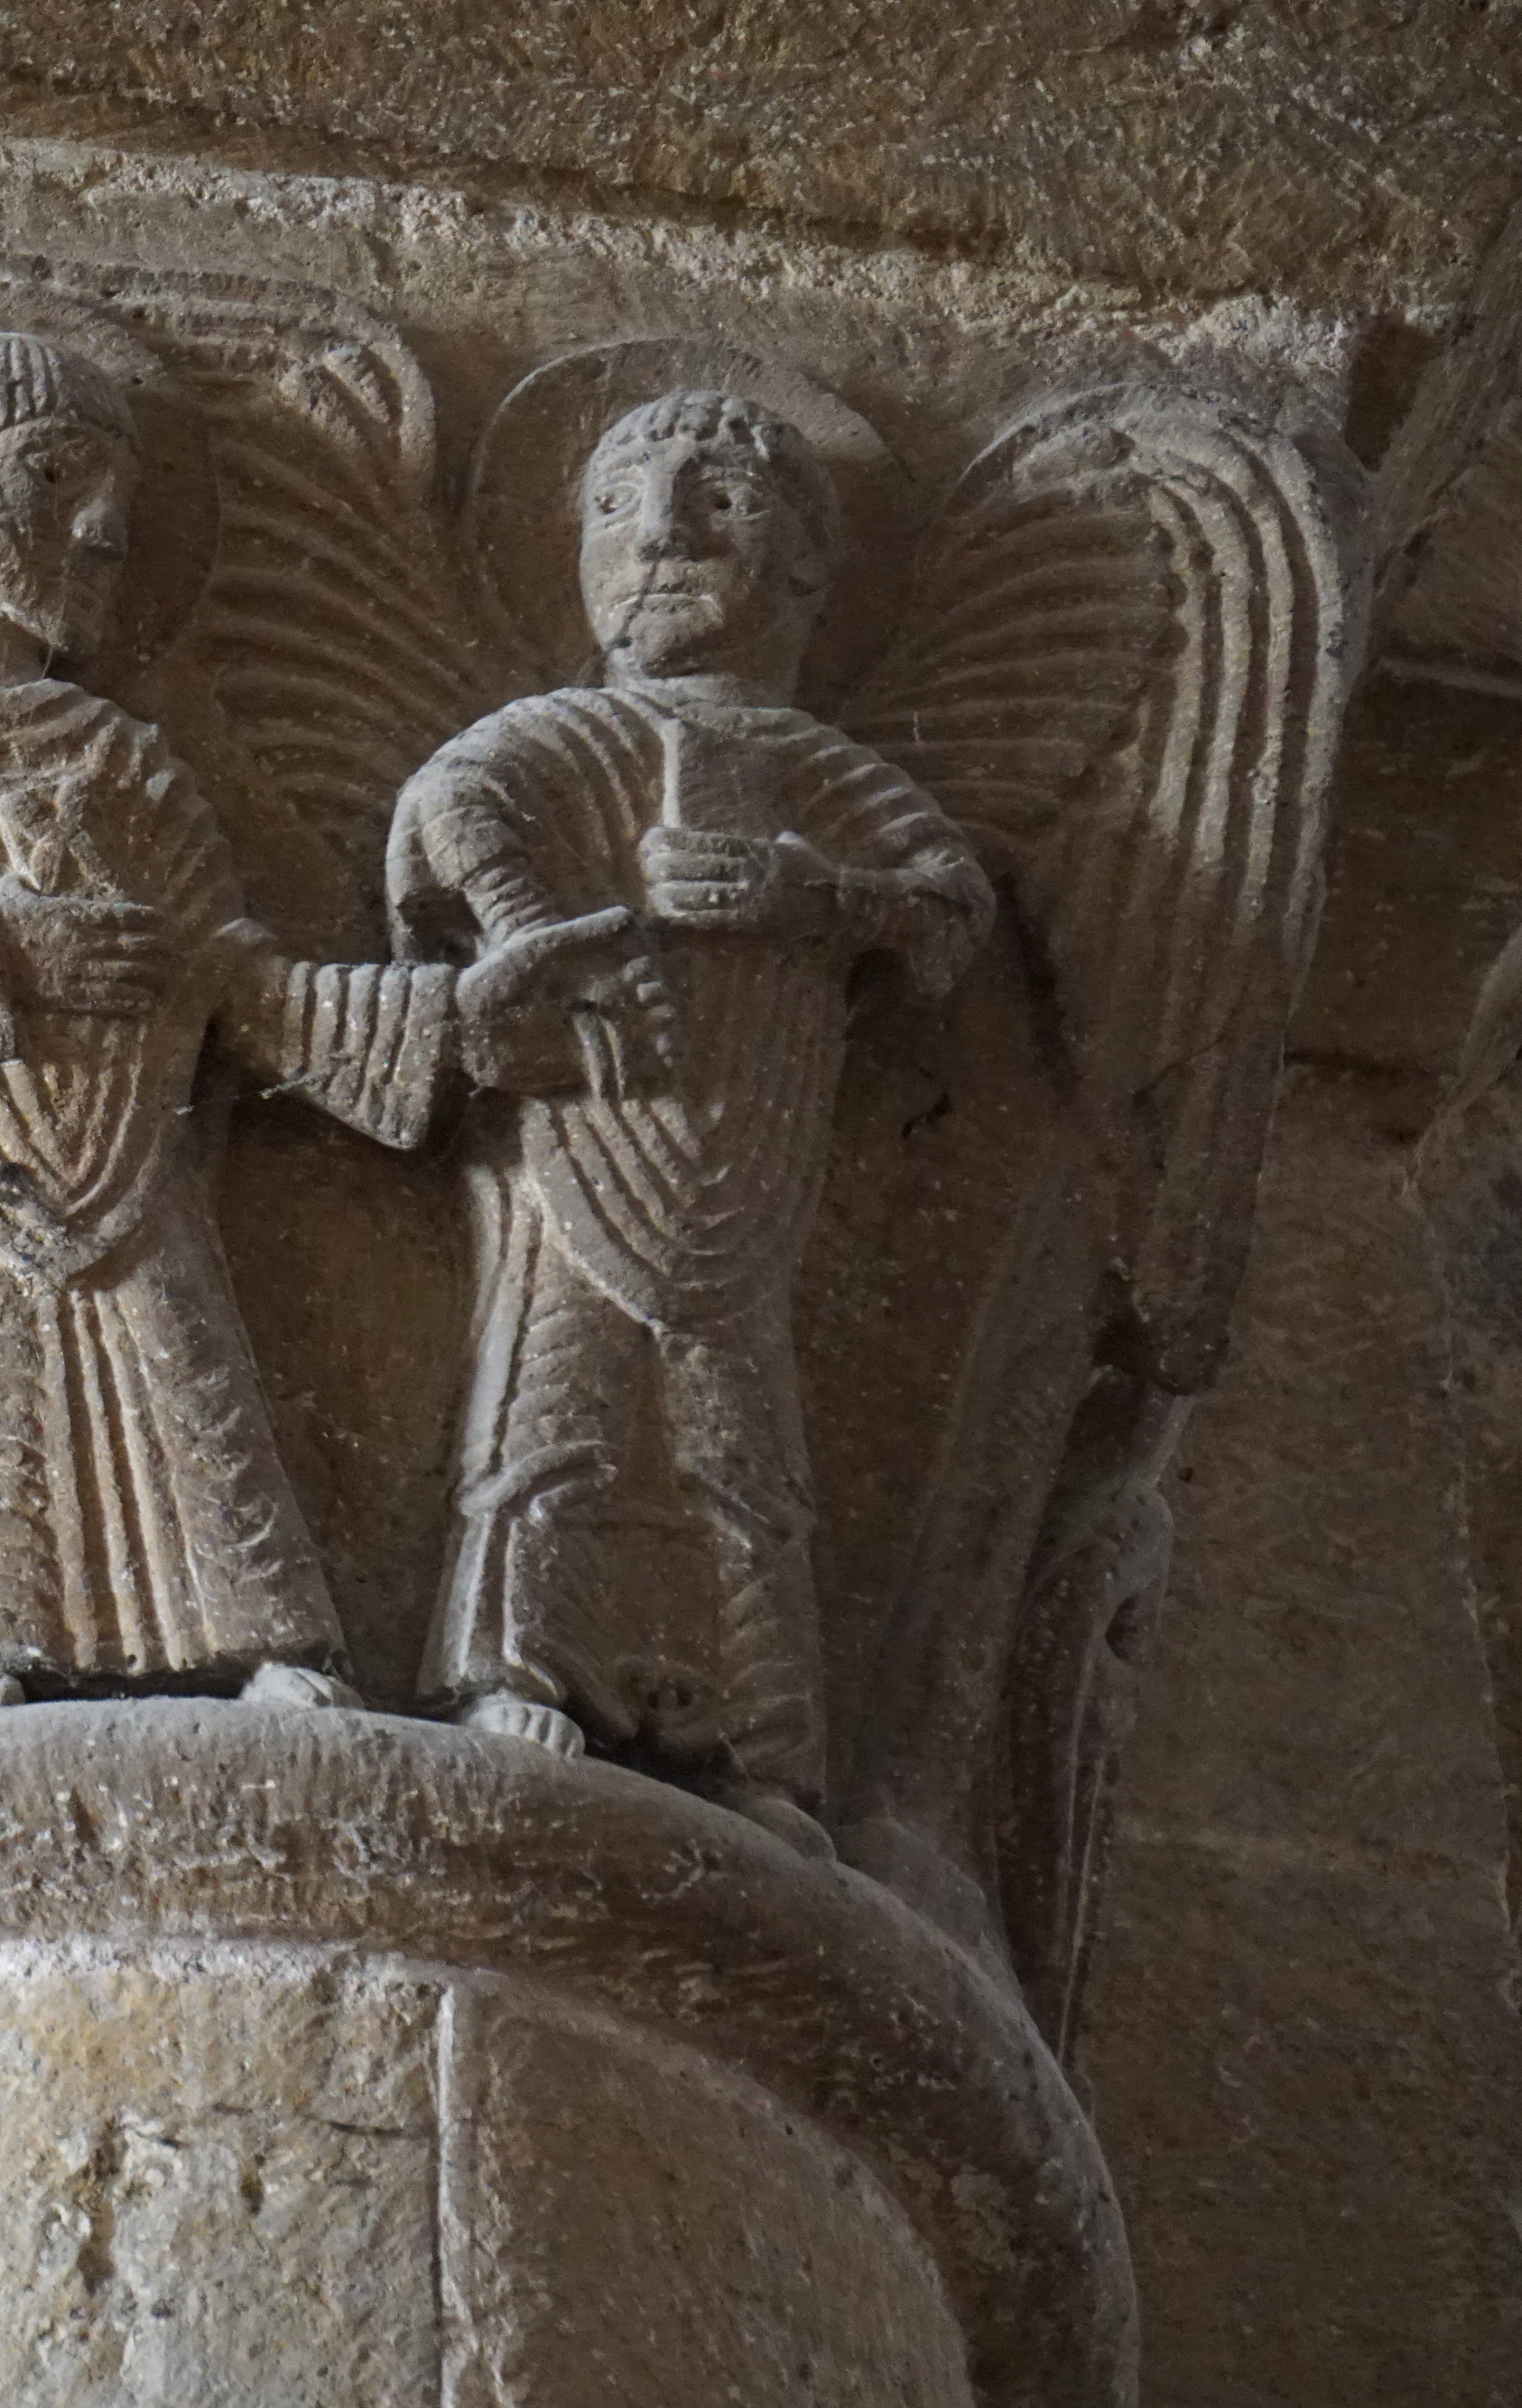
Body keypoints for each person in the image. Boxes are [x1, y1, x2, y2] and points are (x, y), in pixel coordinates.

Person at [0, 330, 461, 1710]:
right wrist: (1, 950)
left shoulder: (120, 754)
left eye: (115, 489)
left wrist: (416, 1026)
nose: (107, 523)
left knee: (181, 1362)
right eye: (60, 471)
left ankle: (265, 1644)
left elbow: (229, 967)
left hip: (136, 1136)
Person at [387, 387, 991, 1832]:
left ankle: (762, 1745)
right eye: (613, 505)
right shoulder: (556, 734)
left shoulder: (821, 771)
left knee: (740, 1441)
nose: (657, 531)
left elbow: (950, 907)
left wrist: (816, 895)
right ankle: (510, 1665)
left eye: (718, 500)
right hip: (581, 1141)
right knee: (553, 1404)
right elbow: (443, 809)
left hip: (752, 1148)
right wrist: (534, 922)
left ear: (802, 568)